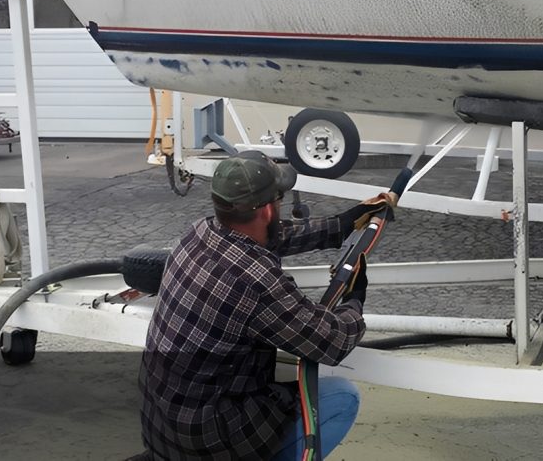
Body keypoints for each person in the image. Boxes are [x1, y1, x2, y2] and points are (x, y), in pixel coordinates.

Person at [139, 151, 395, 460]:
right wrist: (355, 297)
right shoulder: (257, 281)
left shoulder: (198, 233)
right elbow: (332, 341)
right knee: (341, 396)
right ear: (267, 211)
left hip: (163, 428)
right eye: (278, 199)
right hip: (204, 442)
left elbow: (274, 238)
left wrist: (342, 224)